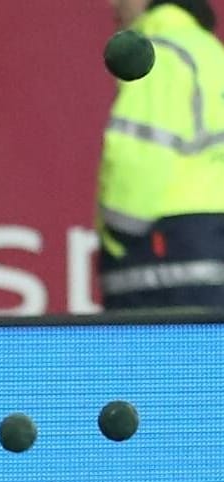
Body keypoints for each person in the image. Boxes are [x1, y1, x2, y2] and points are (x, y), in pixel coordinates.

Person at [96, 0, 224, 310]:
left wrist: (115, 241)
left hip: (169, 247)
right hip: (211, 244)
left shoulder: (159, 55)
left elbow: (137, 160)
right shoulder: (210, 53)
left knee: (149, 355)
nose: (113, 5)